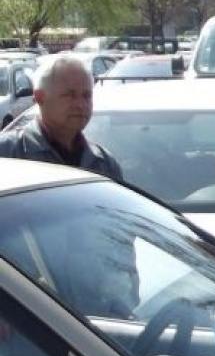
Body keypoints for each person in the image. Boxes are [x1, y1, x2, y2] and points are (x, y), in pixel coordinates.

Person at [0, 55, 136, 318]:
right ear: (39, 97)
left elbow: (122, 242)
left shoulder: (103, 164)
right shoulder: (9, 155)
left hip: (94, 315)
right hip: (27, 321)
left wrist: (126, 298)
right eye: (70, 95)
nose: (80, 104)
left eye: (87, 95)